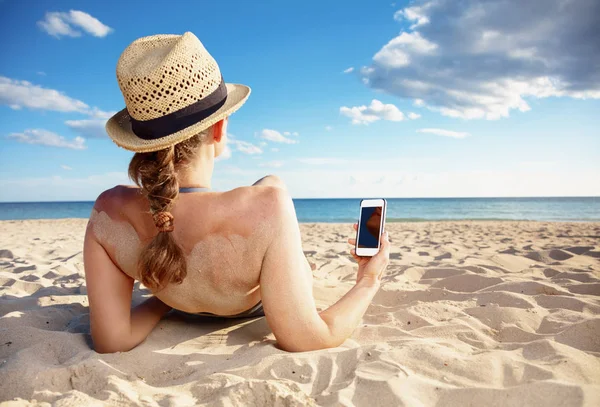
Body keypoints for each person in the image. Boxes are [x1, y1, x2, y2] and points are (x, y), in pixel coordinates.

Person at [83, 32, 390, 354]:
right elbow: (308, 338)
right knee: (273, 183)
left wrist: (164, 302)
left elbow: (112, 341)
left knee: (267, 187)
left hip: (176, 297)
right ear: (219, 128)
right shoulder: (268, 205)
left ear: (139, 141)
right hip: (248, 299)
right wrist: (369, 279)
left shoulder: (109, 210)